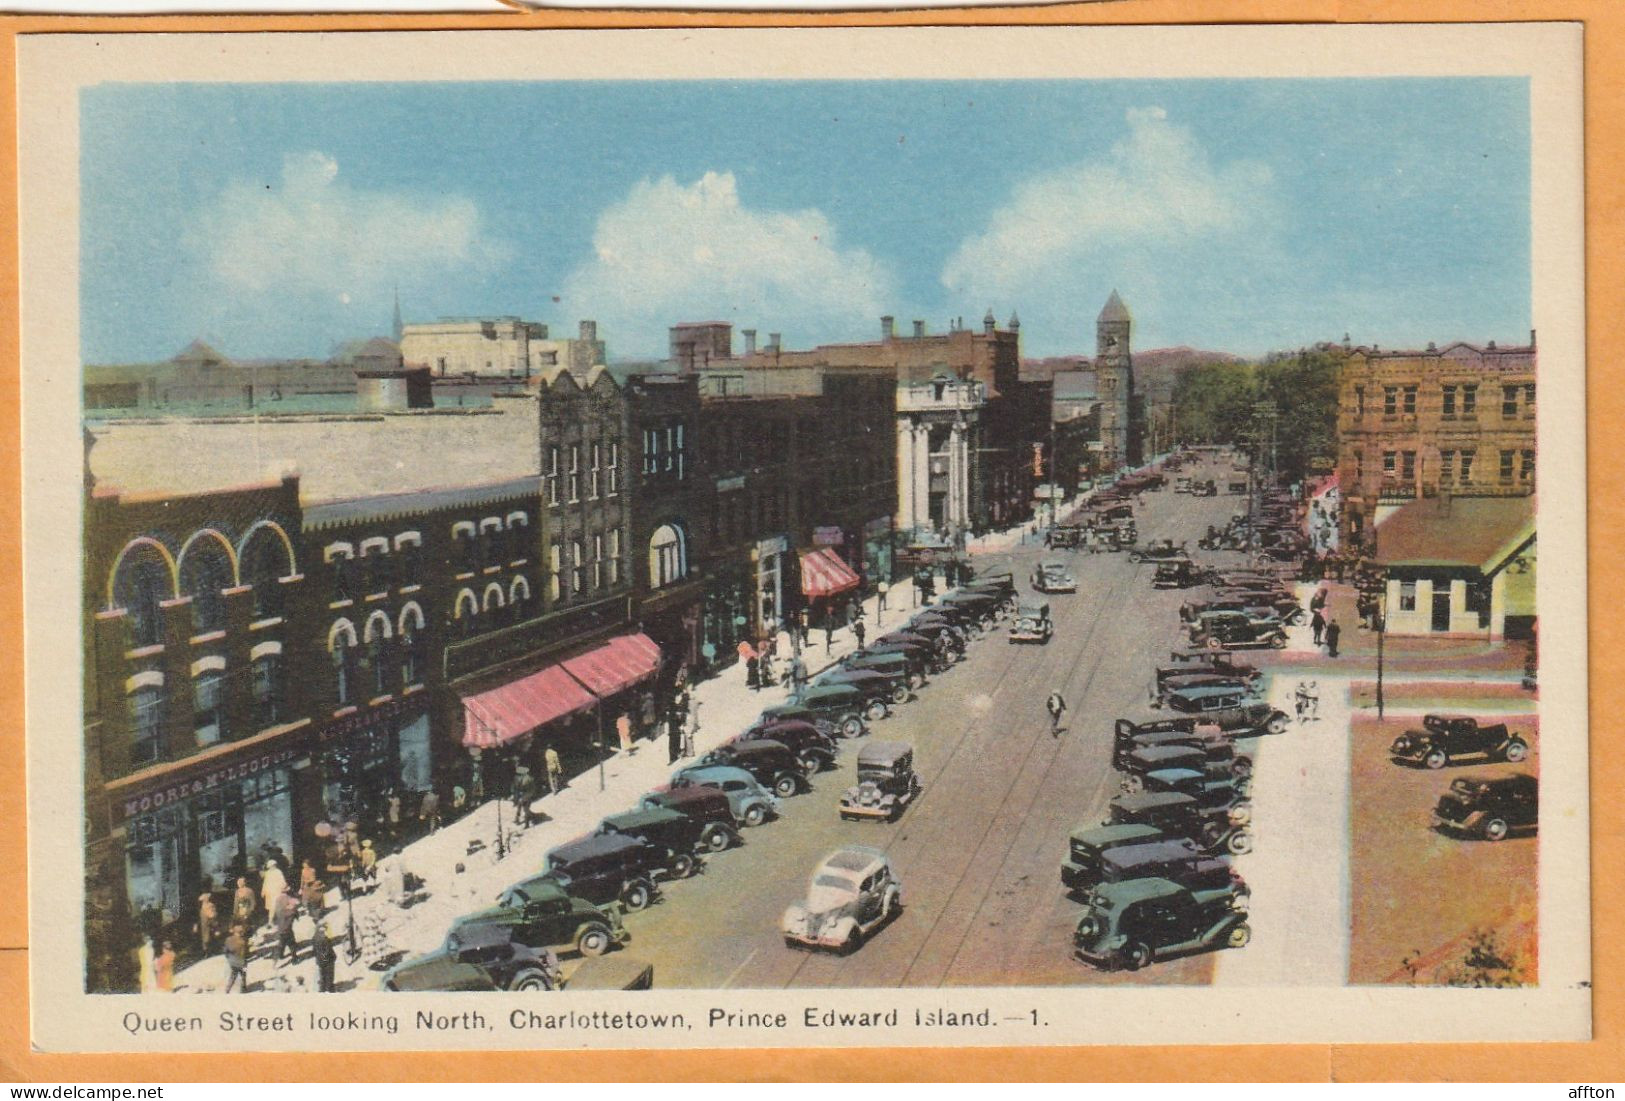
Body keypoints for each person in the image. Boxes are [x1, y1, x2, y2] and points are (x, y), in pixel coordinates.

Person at [273, 884, 301, 964]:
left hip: (280, 925)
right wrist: (293, 909)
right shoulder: (288, 899)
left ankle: (281, 955)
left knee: (282, 941)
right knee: (291, 943)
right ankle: (294, 959)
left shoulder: (277, 899)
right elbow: (296, 904)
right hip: (287, 926)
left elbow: (277, 912)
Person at [259, 858, 287, 930]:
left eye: (273, 866)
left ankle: (278, 922)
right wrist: (263, 891)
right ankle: (270, 922)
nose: (272, 867)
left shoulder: (278, 872)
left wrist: (283, 887)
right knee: (271, 907)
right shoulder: (268, 873)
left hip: (276, 892)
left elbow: (282, 881)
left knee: (276, 906)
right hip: (269, 892)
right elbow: (265, 882)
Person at [223, 923, 250, 994]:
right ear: (241, 932)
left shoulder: (228, 939)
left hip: (232, 961)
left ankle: (228, 989)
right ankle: (243, 988)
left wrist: (229, 958)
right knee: (243, 974)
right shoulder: (243, 941)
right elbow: (246, 953)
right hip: (242, 962)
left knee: (233, 975)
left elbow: (225, 951)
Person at [311, 919, 337, 993]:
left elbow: (314, 950)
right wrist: (330, 957)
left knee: (322, 974)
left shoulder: (314, 937)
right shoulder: (325, 939)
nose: (326, 929)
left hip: (319, 960)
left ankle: (322, 988)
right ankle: (329, 988)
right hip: (327, 960)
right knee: (329, 974)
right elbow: (327, 951)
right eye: (325, 927)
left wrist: (318, 958)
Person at [196, 886, 218, 956]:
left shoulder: (210, 905)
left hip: (209, 923)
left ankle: (209, 951)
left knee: (209, 937)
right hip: (204, 923)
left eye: (206, 898)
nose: (205, 900)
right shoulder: (202, 907)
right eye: (204, 899)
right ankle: (206, 951)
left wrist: (213, 921)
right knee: (205, 937)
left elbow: (213, 915)